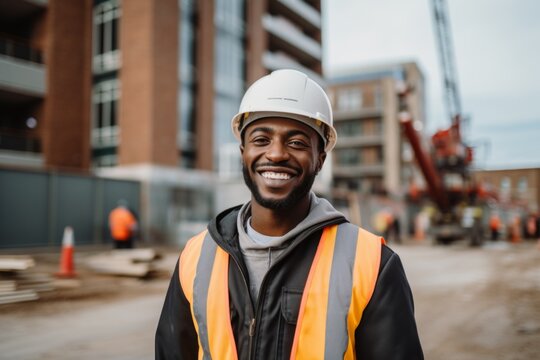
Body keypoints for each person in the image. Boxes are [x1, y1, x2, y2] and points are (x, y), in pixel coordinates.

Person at [155, 69, 423, 359]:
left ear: (320, 158)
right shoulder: (196, 257)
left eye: (296, 142)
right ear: (243, 149)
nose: (277, 154)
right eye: (261, 139)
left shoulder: (372, 265)